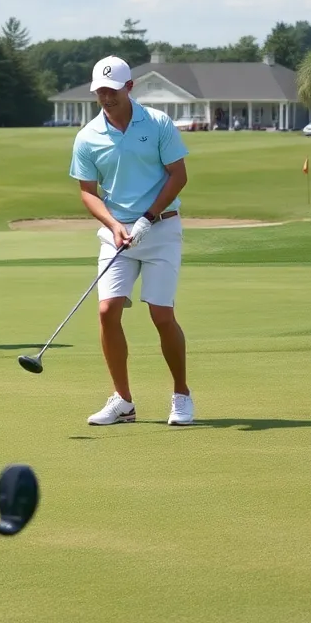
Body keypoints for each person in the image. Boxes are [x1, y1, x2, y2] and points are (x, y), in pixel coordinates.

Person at [68, 56, 194, 427]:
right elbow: (87, 192)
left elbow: (178, 175)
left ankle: (182, 394)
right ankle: (123, 401)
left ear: (129, 87)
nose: (106, 97)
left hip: (161, 229)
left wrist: (147, 217)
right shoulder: (88, 136)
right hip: (117, 234)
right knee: (107, 311)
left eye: (112, 90)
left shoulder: (157, 123)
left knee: (161, 314)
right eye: (100, 91)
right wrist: (113, 225)